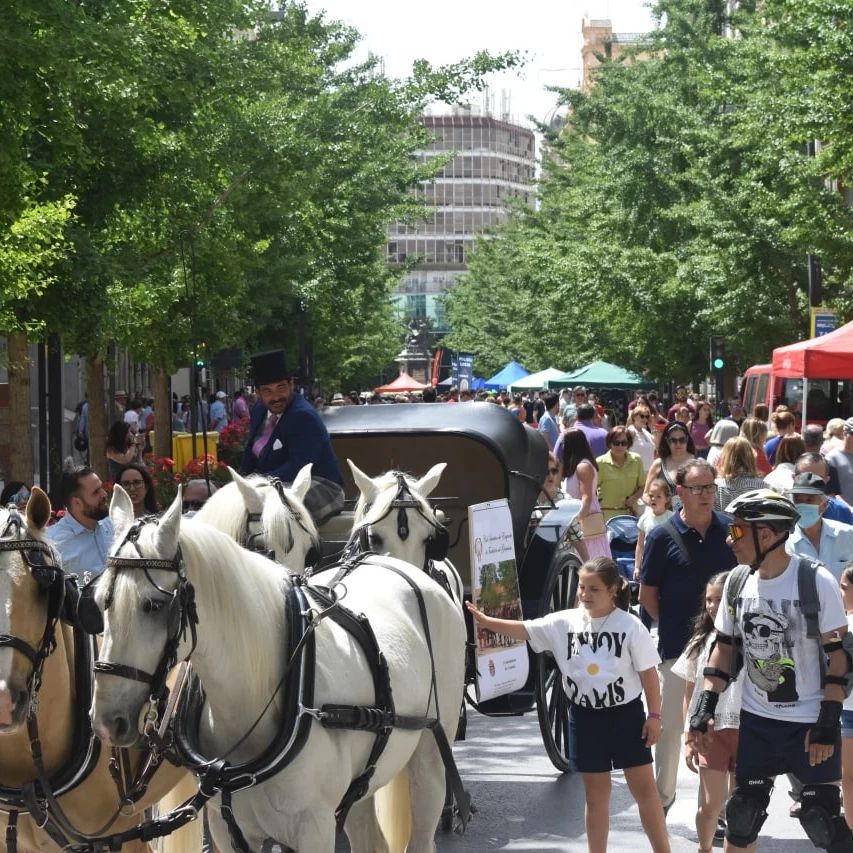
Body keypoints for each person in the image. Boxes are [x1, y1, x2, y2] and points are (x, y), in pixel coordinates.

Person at [466, 557, 671, 853]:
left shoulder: (630, 626)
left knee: (645, 792)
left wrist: (654, 716)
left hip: (626, 716)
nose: (585, 595)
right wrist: (486, 622)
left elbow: (649, 675)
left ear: (613, 590)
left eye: (594, 589)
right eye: (582, 587)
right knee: (596, 796)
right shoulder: (565, 622)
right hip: (585, 718)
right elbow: (525, 629)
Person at [687, 490, 852, 852]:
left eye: (740, 531)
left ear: (767, 534)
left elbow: (840, 659)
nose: (731, 539)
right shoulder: (736, 582)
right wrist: (703, 708)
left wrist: (827, 721)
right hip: (758, 722)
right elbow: (725, 649)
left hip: (809, 723)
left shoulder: (816, 581)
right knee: (742, 818)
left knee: (822, 822)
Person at [639, 458, 737, 814]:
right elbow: (647, 594)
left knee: (726, 728)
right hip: (677, 649)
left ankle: (722, 810)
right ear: (680, 493)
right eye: (697, 488)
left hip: (726, 650)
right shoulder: (661, 536)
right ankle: (662, 802)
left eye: (710, 487)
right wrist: (676, 628)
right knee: (669, 731)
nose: (706, 495)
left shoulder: (731, 531)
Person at [674, 572, 741, 852]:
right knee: (710, 805)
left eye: (719, 600)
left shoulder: (752, 638)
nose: (712, 606)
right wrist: (688, 735)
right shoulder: (700, 642)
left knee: (742, 808)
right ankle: (704, 848)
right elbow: (690, 693)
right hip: (710, 733)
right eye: (708, 600)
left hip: (746, 730)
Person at [239, 349, 344, 524]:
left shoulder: (303, 416)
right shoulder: (259, 410)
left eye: (281, 388)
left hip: (318, 486)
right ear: (258, 393)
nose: (276, 397)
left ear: (291, 385)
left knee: (275, 510)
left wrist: (257, 484)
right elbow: (250, 453)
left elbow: (298, 467)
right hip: (274, 485)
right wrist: (239, 482)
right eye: (267, 391)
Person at [46, 465, 113, 582]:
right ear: (77, 503)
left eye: (101, 487)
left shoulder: (115, 527)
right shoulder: (53, 544)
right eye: (96, 492)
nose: (104, 494)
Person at [785, 473, 853, 582]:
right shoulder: (784, 540)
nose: (802, 505)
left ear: (824, 505)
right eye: (797, 500)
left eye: (809, 500)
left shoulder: (848, 534)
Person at [561, 429, 611, 559]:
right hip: (581, 517)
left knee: (591, 560)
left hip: (586, 519)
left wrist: (576, 522)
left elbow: (587, 497)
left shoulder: (583, 466)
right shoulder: (577, 465)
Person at [644, 421, 696, 514]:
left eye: (682, 440)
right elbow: (646, 494)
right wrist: (657, 506)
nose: (678, 444)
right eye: (673, 440)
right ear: (667, 441)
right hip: (664, 520)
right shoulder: (659, 464)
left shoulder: (697, 464)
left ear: (687, 439)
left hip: (690, 519)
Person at [597, 426, 646, 521]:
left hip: (631, 516)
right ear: (609, 443)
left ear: (628, 444)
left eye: (623, 443)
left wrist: (634, 498)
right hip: (607, 518)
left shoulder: (637, 460)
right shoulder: (600, 463)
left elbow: (643, 486)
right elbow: (592, 490)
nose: (620, 446)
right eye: (616, 443)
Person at [795, 453, 853, 525]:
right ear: (794, 477)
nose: (811, 483)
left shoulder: (841, 512)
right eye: (805, 477)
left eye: (818, 478)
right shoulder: (783, 511)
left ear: (827, 480)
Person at [634, 478, 675, 579]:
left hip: (668, 563)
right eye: (651, 496)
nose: (653, 499)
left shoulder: (673, 518)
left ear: (667, 498)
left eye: (658, 496)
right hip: (649, 562)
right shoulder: (644, 518)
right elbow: (640, 545)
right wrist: (637, 567)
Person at [713, 437, 767, 512]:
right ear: (751, 457)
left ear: (725, 457)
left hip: (724, 523)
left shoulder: (716, 486)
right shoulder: (763, 487)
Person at [839, 565, 853, 829]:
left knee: (849, 779)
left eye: (843, 587)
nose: (840, 593)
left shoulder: (842, 625)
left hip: (846, 709)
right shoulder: (840, 623)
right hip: (846, 710)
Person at [827, 418, 853, 506]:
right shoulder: (832, 458)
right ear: (845, 434)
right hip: (845, 514)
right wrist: (848, 509)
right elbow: (832, 493)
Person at [628, 406, 657, 472]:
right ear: (634, 416)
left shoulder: (646, 432)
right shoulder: (631, 431)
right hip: (635, 473)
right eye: (642, 416)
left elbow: (657, 445)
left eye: (647, 417)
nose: (645, 419)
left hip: (649, 472)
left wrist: (652, 426)